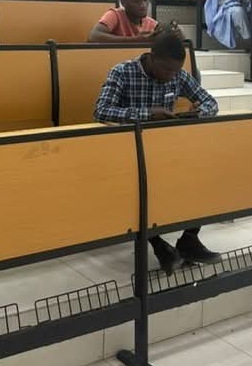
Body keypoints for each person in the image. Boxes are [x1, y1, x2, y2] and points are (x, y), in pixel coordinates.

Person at [94, 30, 220, 273]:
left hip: (166, 149)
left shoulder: (178, 74)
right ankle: (159, 244)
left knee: (204, 173)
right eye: (166, 69)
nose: (171, 76)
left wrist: (197, 114)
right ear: (151, 57)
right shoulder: (122, 72)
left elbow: (210, 102)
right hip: (129, 151)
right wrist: (147, 114)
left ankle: (189, 240)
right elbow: (101, 111)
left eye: (175, 71)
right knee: (141, 186)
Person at [89, 0, 159, 41]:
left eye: (145, 0)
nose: (143, 5)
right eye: (136, 1)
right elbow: (94, 36)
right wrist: (134, 39)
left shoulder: (152, 23)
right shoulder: (115, 15)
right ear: (123, 3)